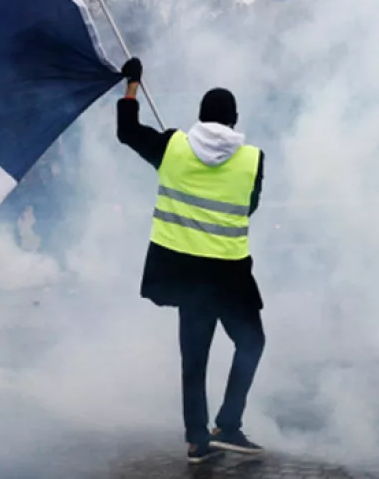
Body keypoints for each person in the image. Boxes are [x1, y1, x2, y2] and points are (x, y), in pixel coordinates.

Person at [114, 58, 266, 464]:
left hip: (186, 277)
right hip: (231, 276)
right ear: (234, 120)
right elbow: (248, 207)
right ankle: (229, 425)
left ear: (200, 116)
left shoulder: (172, 147)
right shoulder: (252, 159)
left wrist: (132, 85)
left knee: (194, 361)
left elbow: (126, 131)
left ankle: (198, 440)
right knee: (251, 343)